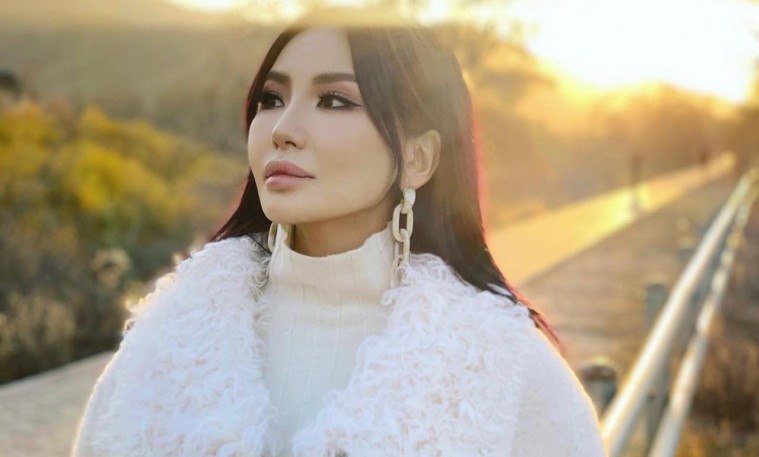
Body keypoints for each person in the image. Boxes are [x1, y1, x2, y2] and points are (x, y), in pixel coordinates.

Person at [72, 8, 607, 457]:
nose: (283, 130)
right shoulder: (172, 334)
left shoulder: (500, 361)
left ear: (418, 158)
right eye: (271, 99)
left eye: (333, 101)